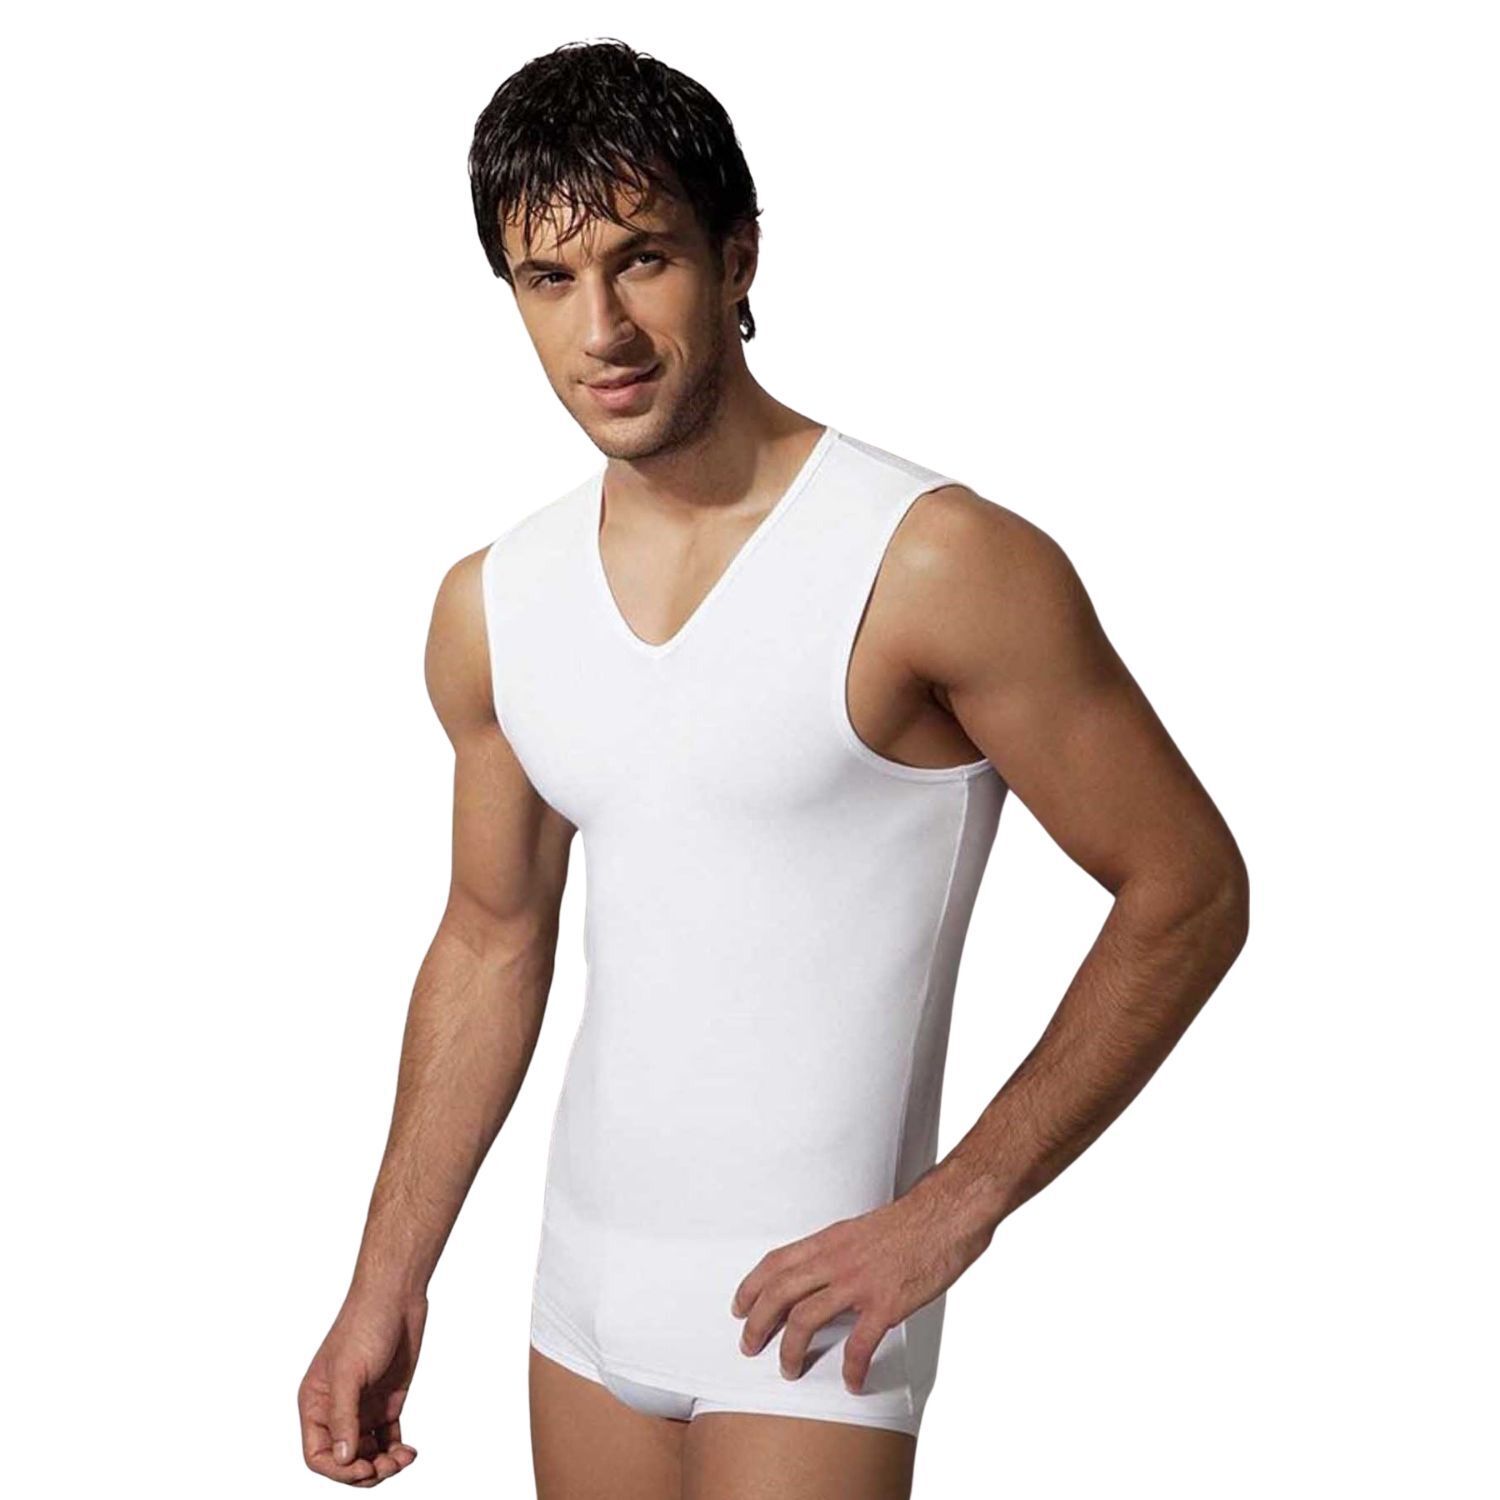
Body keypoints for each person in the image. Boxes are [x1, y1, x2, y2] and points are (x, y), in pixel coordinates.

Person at [297, 37, 1250, 1499]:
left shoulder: (935, 562)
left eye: (643, 260)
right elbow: (490, 939)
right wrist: (385, 1277)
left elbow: (1187, 889)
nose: (602, 328)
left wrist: (956, 1208)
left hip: (821, 1322)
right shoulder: (494, 605)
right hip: (579, 1302)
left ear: (737, 256)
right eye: (549, 279)